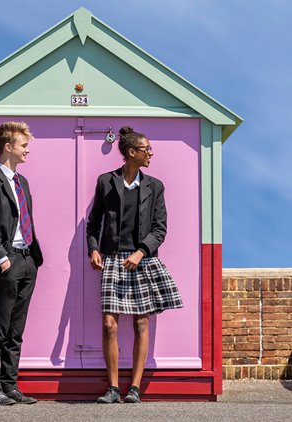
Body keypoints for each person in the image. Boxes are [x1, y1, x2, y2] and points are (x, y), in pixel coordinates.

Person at [86, 126, 183, 404]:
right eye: (146, 149)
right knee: (108, 325)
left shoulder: (155, 186)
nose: (151, 153)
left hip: (141, 260)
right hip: (113, 260)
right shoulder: (106, 182)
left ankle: (135, 388)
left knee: (141, 322)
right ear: (131, 153)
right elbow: (94, 223)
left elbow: (160, 228)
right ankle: (113, 388)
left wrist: (141, 252)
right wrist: (94, 249)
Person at [0, 121, 43, 405]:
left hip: (28, 260)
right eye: (23, 145)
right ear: (8, 147)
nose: (27, 150)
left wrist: (32, 260)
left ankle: (10, 386)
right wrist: (2, 260)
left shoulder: (22, 182)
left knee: (16, 331)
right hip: (8, 261)